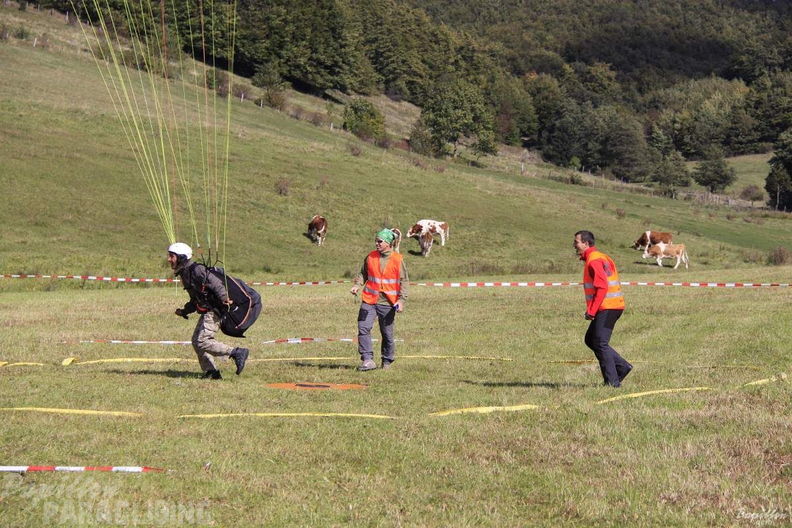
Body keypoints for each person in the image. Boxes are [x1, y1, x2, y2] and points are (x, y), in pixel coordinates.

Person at [167, 242, 249, 380]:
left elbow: (216, 283)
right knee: (196, 341)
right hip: (207, 309)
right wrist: (185, 311)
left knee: (202, 341)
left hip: (215, 308)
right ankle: (211, 372)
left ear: (180, 257)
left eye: (171, 256)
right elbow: (196, 298)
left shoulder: (196, 269)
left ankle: (236, 352)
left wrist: (224, 298)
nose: (169, 259)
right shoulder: (185, 273)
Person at [573, 230, 632, 387]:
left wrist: (591, 310)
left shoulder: (594, 260)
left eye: (576, 242)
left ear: (586, 243)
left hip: (608, 307)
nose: (574, 245)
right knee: (591, 339)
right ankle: (622, 367)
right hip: (610, 306)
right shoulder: (600, 257)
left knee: (599, 342)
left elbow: (602, 286)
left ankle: (613, 382)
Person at [350, 229, 408, 371]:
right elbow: (363, 273)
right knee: (363, 327)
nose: (376, 243)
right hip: (369, 300)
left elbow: (404, 281)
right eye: (376, 240)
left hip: (388, 303)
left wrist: (401, 300)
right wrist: (357, 285)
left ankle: (387, 360)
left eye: (380, 241)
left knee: (387, 333)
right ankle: (367, 360)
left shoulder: (397, 259)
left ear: (388, 243)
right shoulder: (370, 257)